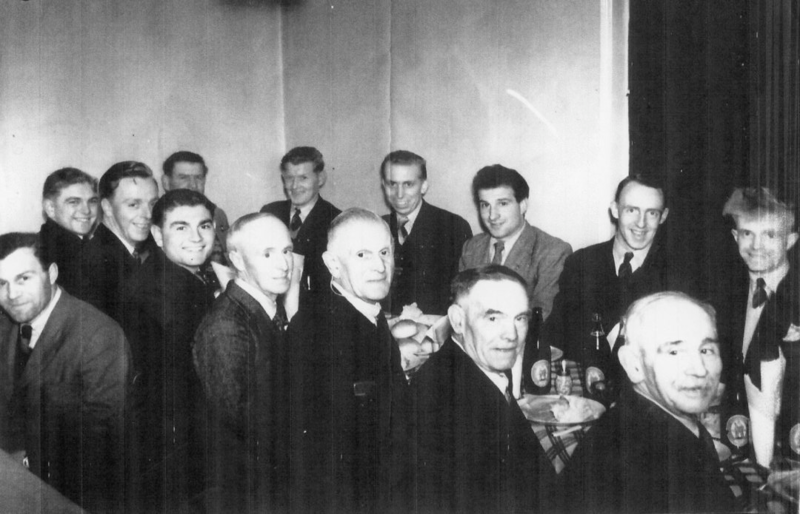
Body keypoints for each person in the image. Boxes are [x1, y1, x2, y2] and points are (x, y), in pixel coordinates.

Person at [562, 292, 734, 513]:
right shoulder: (641, 461)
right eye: (674, 351)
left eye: (706, 350)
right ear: (633, 364)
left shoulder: (655, 428)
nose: (699, 369)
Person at [289, 208, 409, 513]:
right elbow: (331, 460)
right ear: (333, 264)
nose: (379, 266)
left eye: (384, 252)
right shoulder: (319, 332)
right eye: (362, 255)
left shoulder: (365, 311)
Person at [0, 233, 130, 512]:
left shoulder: (98, 336)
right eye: (1, 283)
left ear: (52, 274)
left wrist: (24, 463)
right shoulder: (6, 324)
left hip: (72, 492)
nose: (11, 294)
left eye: (24, 278)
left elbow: (102, 441)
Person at [411, 265, 554, 513]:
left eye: (520, 318)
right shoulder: (444, 400)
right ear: (458, 320)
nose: (511, 335)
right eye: (493, 318)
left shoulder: (479, 368)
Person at [121, 189, 219, 511]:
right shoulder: (159, 293)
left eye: (204, 226)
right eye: (181, 227)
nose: (196, 238)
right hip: (177, 449)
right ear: (157, 235)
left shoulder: (176, 275)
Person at [193, 213, 294, 512]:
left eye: (287, 251)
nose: (283, 264)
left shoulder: (264, 308)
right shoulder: (227, 326)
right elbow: (243, 425)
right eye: (267, 254)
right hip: (248, 489)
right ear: (236, 259)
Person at [545, 174, 687, 364]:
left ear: (663, 216)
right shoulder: (581, 263)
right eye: (631, 210)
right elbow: (556, 334)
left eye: (652, 213)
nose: (641, 223)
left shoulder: (679, 273)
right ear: (615, 210)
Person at [716, 187, 799, 466]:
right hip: (740, 444)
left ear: (790, 240)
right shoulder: (726, 294)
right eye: (747, 233)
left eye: (770, 235)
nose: (756, 245)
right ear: (735, 237)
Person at [460, 164, 571, 321]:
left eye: (503, 203)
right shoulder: (471, 247)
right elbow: (461, 306)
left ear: (523, 205)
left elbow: (540, 320)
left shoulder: (552, 251)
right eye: (485, 205)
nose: (492, 216)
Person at [380, 150, 472, 315]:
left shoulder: (453, 227)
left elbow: (463, 297)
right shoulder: (376, 227)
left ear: (423, 186)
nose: (399, 194)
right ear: (383, 185)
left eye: (408, 184)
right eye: (392, 184)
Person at [261, 146, 341, 308]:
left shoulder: (336, 220)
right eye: (289, 178)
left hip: (316, 311)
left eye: (303, 178)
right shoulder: (270, 213)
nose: (295, 186)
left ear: (320, 178)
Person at [79, 161, 159, 320]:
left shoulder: (142, 251)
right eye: (134, 204)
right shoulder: (96, 266)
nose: (148, 214)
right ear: (107, 207)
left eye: (153, 204)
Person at [161, 150, 230, 265]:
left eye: (198, 177)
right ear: (166, 182)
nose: (193, 185)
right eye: (183, 178)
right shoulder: (157, 217)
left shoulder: (217, 215)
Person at [39, 167, 99, 295]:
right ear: (50, 208)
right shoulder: (53, 253)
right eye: (74, 202)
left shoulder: (84, 247)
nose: (87, 210)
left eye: (92, 201)